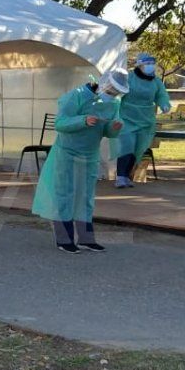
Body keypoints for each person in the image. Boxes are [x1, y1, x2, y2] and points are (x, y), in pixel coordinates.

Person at [31, 70, 127, 253]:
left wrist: (114, 128)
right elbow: (60, 123)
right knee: (64, 195)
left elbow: (107, 130)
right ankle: (64, 239)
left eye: (116, 92)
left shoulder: (113, 103)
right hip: (67, 153)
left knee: (86, 197)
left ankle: (86, 238)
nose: (113, 95)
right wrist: (83, 120)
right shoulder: (76, 96)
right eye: (112, 90)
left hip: (90, 155)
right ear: (104, 83)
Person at [115, 53, 171, 188]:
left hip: (145, 120)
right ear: (139, 65)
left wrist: (165, 104)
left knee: (138, 149)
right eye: (147, 64)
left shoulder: (156, 82)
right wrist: (114, 114)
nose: (150, 67)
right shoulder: (128, 78)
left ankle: (127, 175)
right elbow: (118, 94)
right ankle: (120, 176)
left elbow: (161, 95)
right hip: (127, 118)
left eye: (152, 64)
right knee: (127, 145)